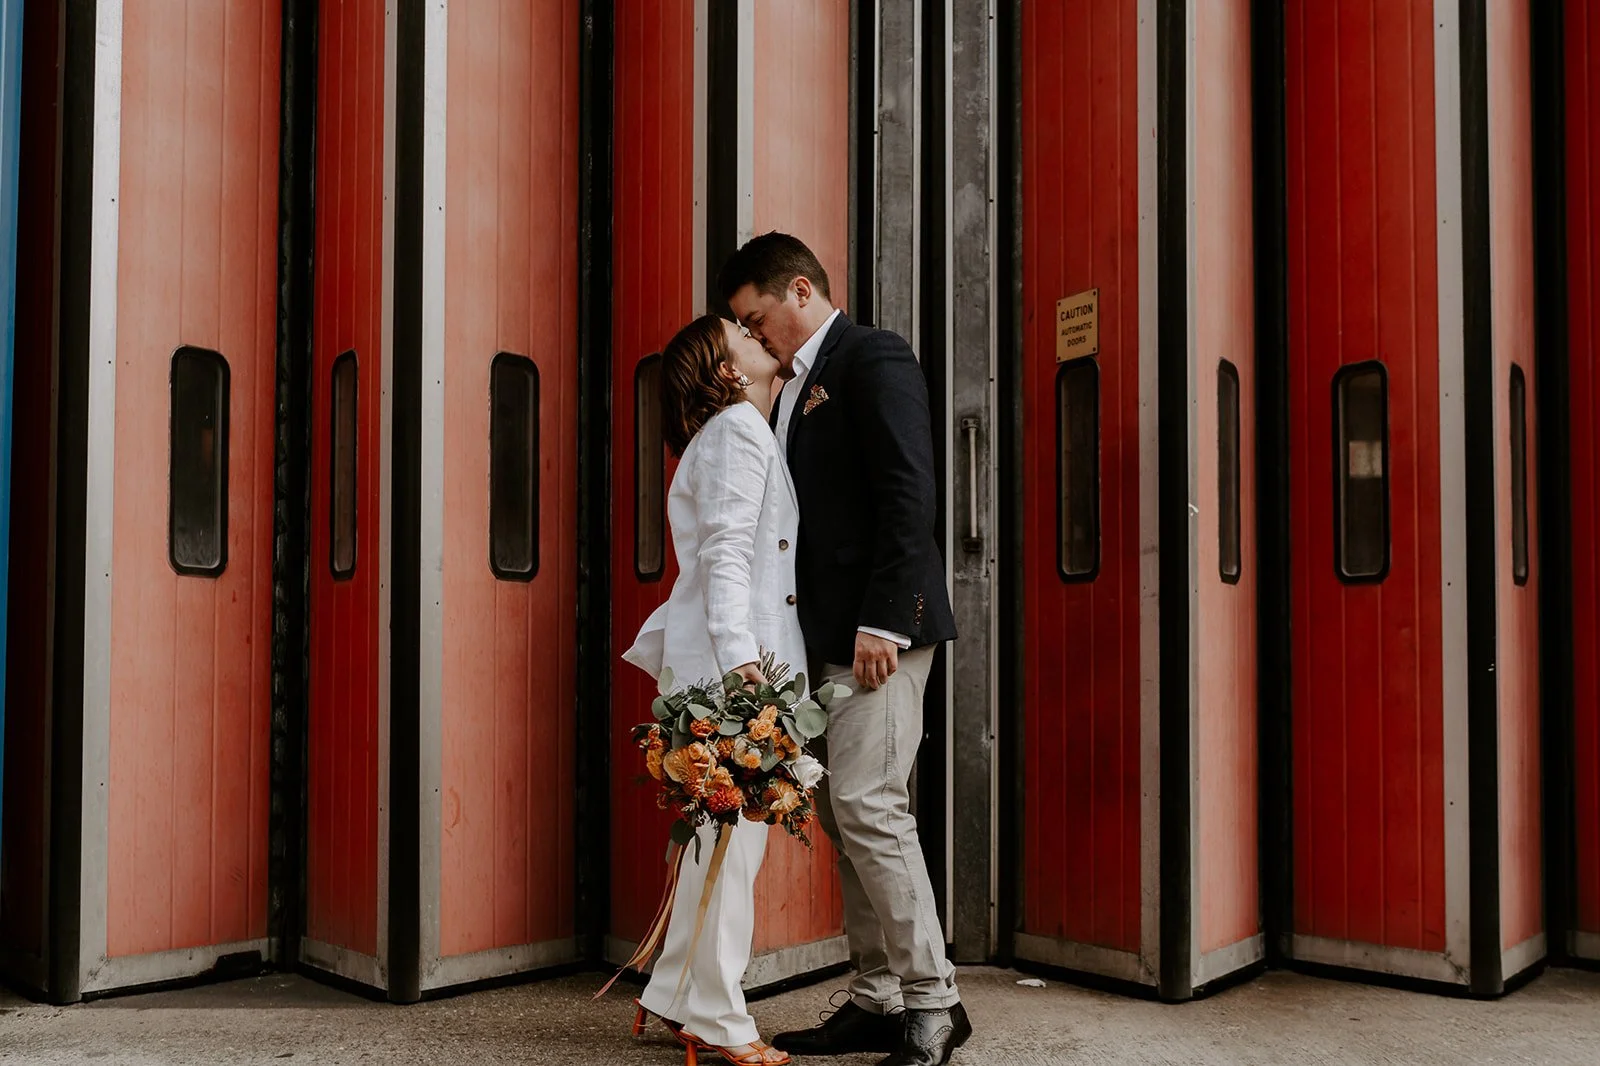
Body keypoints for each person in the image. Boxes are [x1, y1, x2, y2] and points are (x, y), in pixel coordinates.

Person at [721, 233, 970, 1066]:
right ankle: (878, 997)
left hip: (878, 636)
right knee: (842, 814)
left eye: (758, 321)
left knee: (870, 807)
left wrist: (886, 622)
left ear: (799, 290)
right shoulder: (786, 389)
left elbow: (910, 489)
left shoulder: (873, 357)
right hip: (821, 640)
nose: (756, 339)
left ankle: (936, 1003)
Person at [621, 313, 803, 1066]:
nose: (759, 335)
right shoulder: (735, 432)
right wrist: (744, 669)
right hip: (731, 669)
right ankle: (720, 1020)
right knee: (731, 851)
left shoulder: (729, 432)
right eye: (743, 334)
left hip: (716, 662)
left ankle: (673, 995)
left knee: (715, 846)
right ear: (726, 371)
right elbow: (727, 558)